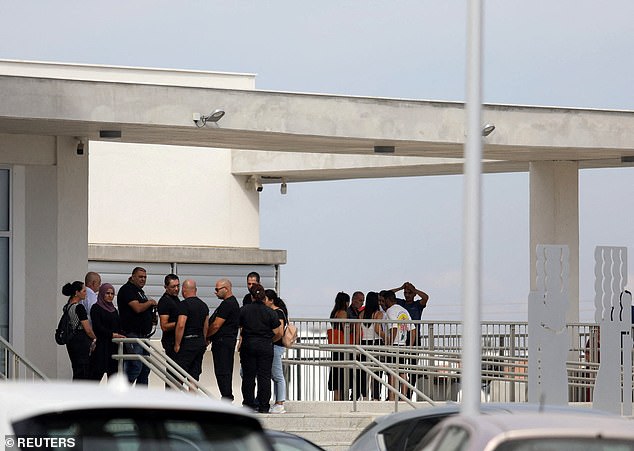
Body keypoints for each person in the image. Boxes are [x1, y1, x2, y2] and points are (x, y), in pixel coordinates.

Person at [239, 283, 282, 413]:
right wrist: (270, 340)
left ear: (251, 297)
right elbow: (278, 332)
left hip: (248, 345)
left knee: (248, 377)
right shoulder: (270, 312)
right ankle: (264, 406)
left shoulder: (244, 310)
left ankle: (248, 405)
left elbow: (239, 326)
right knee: (264, 376)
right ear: (264, 297)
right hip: (265, 346)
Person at [117, 267, 158, 386]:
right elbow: (137, 308)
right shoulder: (127, 289)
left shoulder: (141, 292)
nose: (143, 279)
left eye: (145, 277)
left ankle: (141, 399)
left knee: (145, 369)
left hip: (144, 335)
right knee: (134, 367)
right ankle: (124, 394)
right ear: (133, 277)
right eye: (140, 277)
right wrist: (150, 302)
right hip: (132, 335)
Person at [207, 278, 240, 401]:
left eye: (217, 289)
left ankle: (227, 397)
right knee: (223, 371)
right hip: (223, 342)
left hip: (223, 343)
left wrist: (206, 336)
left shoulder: (228, 304)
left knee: (223, 371)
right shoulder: (227, 303)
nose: (215, 292)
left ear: (225, 289)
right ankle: (226, 396)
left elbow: (216, 325)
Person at [174, 280, 209, 381]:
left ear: (184, 290)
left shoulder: (184, 305)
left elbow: (181, 325)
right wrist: (204, 340)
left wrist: (177, 344)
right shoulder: (204, 305)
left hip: (187, 342)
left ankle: (176, 397)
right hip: (200, 343)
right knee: (194, 376)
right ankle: (192, 396)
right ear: (196, 290)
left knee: (179, 374)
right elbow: (206, 326)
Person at [61, 281, 97, 380]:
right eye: (84, 291)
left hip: (72, 341)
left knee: (76, 369)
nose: (86, 293)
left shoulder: (67, 306)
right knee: (84, 370)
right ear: (77, 292)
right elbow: (88, 329)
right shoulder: (79, 307)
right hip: (81, 341)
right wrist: (95, 338)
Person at [383, 290, 415, 400]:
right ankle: (404, 396)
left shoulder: (390, 311)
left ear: (387, 300)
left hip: (394, 345)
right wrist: (409, 346)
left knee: (392, 373)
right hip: (403, 344)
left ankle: (392, 396)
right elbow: (413, 329)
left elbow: (394, 327)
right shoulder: (404, 311)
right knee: (402, 372)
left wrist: (389, 344)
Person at [89, 283, 125, 381]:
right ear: (102, 293)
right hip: (101, 346)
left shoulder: (114, 310)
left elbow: (118, 326)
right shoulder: (96, 308)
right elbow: (97, 327)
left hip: (113, 346)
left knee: (113, 375)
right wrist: (112, 334)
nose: (110, 296)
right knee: (96, 375)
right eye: (107, 293)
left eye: (112, 294)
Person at [265, 289, 288, 414]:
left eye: (265, 300)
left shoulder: (278, 313)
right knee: (274, 375)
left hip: (275, 346)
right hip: (273, 346)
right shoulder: (275, 312)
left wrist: (270, 341)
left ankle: (280, 402)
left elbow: (279, 332)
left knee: (278, 375)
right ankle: (277, 401)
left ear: (271, 300)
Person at [359, 291, 384, 400]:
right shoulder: (378, 314)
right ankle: (376, 396)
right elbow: (378, 330)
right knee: (377, 371)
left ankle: (364, 396)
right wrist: (386, 337)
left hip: (364, 343)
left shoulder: (361, 314)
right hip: (376, 342)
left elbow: (358, 331)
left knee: (364, 371)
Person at [328, 291, 350, 401]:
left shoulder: (334, 312)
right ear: (346, 302)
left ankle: (336, 399)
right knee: (342, 375)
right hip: (342, 348)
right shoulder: (342, 313)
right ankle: (340, 400)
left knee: (336, 374)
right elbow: (345, 328)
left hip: (336, 346)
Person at [158, 274, 181, 365]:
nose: (176, 289)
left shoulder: (175, 299)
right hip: (171, 342)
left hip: (177, 340)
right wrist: (180, 323)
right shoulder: (165, 301)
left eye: (178, 286)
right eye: (173, 286)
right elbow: (164, 326)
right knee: (173, 371)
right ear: (166, 287)